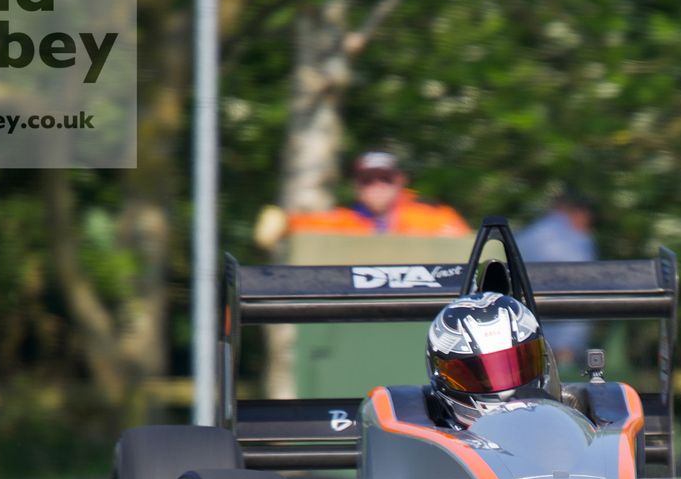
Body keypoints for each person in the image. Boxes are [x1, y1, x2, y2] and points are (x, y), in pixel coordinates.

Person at [255, 151, 471, 246]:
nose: (377, 185)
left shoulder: (431, 215)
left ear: (400, 180)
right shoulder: (346, 222)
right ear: (356, 186)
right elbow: (307, 224)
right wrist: (283, 221)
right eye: (367, 180)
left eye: (385, 178)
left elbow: (466, 245)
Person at [424, 291, 550, 424]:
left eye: (518, 370)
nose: (503, 383)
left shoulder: (558, 419)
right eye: (483, 377)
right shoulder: (423, 434)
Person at [516, 191, 596, 362]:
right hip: (561, 336)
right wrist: (568, 345)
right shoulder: (577, 240)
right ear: (579, 213)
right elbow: (582, 289)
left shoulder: (526, 235)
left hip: (525, 331)